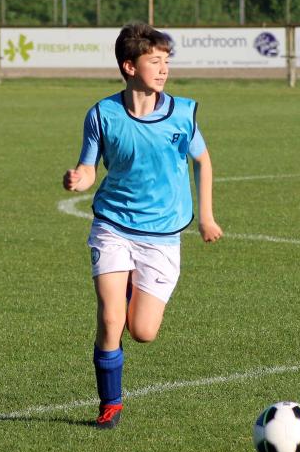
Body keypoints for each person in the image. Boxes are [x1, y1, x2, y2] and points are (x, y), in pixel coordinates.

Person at [62, 23, 223, 429]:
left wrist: (205, 217)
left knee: (144, 331)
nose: (164, 69)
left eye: (167, 61)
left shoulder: (182, 113)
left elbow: (202, 161)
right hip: (113, 224)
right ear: (129, 66)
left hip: (162, 236)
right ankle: (110, 405)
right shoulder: (102, 114)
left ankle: (132, 285)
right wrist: (79, 178)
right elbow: (88, 167)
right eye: (155, 61)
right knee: (111, 318)